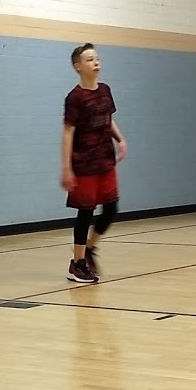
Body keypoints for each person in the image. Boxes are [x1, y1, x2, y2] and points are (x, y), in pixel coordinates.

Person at [61, 42, 126, 283]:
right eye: (89, 59)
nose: (95, 62)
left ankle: (89, 249)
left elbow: (107, 120)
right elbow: (67, 132)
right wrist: (66, 167)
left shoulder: (105, 90)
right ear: (78, 67)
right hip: (84, 163)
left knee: (111, 209)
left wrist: (120, 139)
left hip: (105, 161)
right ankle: (76, 264)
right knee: (85, 213)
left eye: (97, 58)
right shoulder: (74, 98)